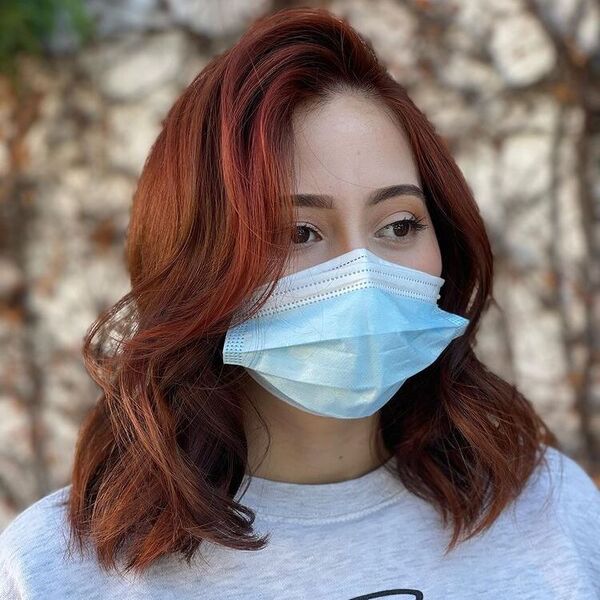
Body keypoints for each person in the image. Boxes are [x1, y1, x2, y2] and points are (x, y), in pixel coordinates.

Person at [1, 6, 599, 600]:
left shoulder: (551, 514)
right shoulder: (60, 570)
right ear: (197, 266)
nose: (363, 276)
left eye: (398, 224)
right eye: (298, 233)